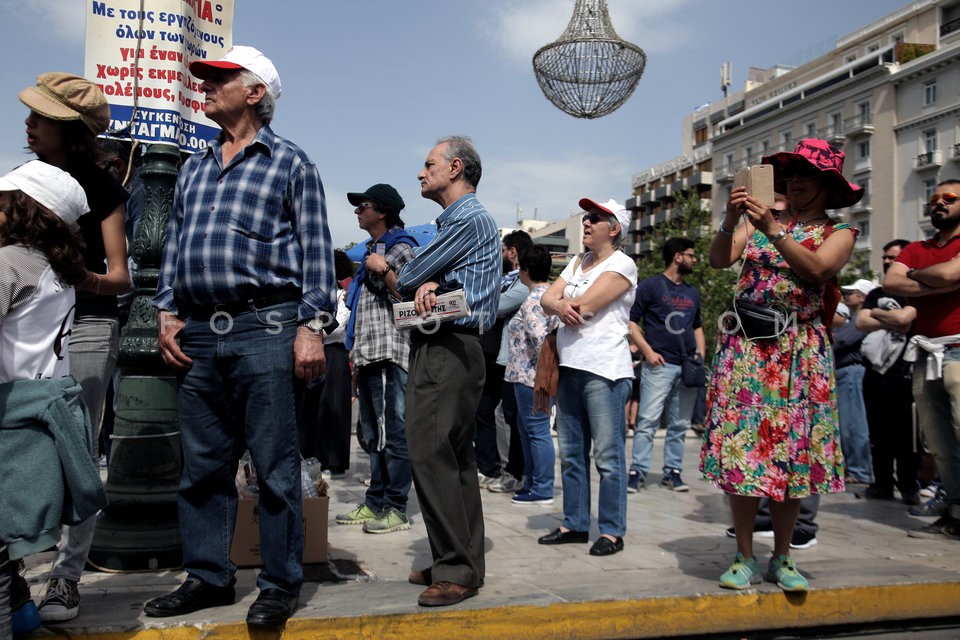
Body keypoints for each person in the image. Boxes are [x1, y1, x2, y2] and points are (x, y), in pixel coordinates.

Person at [146, 46, 336, 626]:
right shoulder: (194, 167)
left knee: (274, 468)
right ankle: (209, 577)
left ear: (255, 92)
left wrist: (309, 328)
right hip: (199, 331)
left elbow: (315, 256)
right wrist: (165, 313)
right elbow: (175, 247)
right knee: (202, 467)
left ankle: (278, 583)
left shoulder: (291, 164)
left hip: (267, 327)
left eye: (219, 79)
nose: (204, 87)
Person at [702, 138, 859, 592]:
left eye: (803, 176)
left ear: (828, 185)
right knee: (743, 449)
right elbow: (718, 260)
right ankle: (744, 555)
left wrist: (773, 228)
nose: (793, 182)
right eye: (789, 176)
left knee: (790, 454)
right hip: (747, 349)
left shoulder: (839, 231)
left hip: (797, 352)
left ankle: (784, 556)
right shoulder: (760, 224)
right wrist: (732, 219)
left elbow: (815, 270)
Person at [365, 135, 500, 607]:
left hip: (448, 346)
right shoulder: (457, 223)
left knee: (429, 452)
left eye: (429, 165)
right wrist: (429, 280)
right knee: (453, 459)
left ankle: (456, 568)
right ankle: (458, 560)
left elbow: (407, 275)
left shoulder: (468, 218)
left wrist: (385, 266)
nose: (421, 173)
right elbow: (424, 278)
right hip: (444, 343)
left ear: (455, 167)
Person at [19, 72, 131, 623]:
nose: (28, 123)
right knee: (18, 440)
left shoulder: (102, 186)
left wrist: (75, 276)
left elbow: (119, 276)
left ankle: (66, 576)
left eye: (40, 116)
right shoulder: (19, 177)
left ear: (68, 126)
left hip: (85, 323)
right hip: (19, 319)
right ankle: (14, 572)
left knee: (77, 444)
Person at [0, 161, 104, 636]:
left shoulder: (11, 263)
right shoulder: (58, 271)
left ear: (22, 208)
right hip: (39, 425)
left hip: (11, 421)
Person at [538, 197, 637, 557]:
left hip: (604, 370)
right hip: (570, 366)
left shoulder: (623, 264)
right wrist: (561, 304)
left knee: (608, 457)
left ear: (614, 229)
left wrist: (562, 303)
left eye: (594, 218)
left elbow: (588, 306)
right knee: (573, 453)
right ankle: (575, 523)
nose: (586, 223)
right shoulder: (578, 262)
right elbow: (546, 299)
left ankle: (611, 530)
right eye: (585, 217)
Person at [336, 183, 418, 534]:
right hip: (369, 352)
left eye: (363, 205)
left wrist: (383, 269)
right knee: (372, 432)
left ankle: (395, 505)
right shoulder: (370, 249)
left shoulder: (400, 248)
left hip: (390, 350)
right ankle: (375, 501)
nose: (357, 210)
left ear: (382, 211)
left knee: (394, 432)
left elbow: (411, 298)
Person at [884, 179, 960, 540]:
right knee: (939, 443)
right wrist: (937, 280)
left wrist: (926, 277)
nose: (939, 203)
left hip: (959, 350)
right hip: (926, 353)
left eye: (949, 198)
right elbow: (891, 283)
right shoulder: (915, 248)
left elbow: (949, 273)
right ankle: (955, 510)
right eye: (934, 198)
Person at [627, 237, 705, 493]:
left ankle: (673, 472)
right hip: (659, 365)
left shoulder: (692, 291)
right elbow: (631, 322)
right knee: (648, 420)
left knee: (679, 424)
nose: (695, 260)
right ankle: (637, 471)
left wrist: (700, 355)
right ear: (678, 257)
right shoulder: (650, 286)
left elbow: (697, 327)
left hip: (688, 367)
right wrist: (648, 352)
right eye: (691, 255)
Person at [855, 239, 921, 506]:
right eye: (885, 257)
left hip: (905, 374)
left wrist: (879, 317)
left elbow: (908, 321)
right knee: (878, 433)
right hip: (874, 374)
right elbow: (861, 321)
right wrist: (895, 318)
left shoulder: (916, 292)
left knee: (907, 435)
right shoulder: (876, 292)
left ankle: (908, 486)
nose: (886, 262)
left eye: (893, 257)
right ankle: (881, 483)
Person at [477, 230, 532, 493]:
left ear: (512, 252)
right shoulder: (504, 279)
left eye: (502, 250)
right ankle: (496, 466)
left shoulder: (523, 283)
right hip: (499, 353)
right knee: (493, 412)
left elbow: (495, 308)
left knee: (512, 417)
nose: (499, 255)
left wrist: (487, 304)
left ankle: (514, 472)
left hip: (510, 357)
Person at [505, 244, 560, 505]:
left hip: (531, 379)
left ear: (523, 270)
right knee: (528, 430)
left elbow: (542, 342)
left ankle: (542, 486)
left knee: (536, 431)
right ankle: (531, 481)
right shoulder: (551, 296)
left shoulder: (532, 302)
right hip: (528, 377)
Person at [297, 249, 353, 474]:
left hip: (334, 354)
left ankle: (332, 461)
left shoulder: (344, 295)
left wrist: (311, 329)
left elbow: (338, 326)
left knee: (332, 409)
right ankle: (308, 457)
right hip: (312, 351)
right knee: (308, 409)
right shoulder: (314, 297)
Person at [834, 278, 876, 485]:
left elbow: (841, 340)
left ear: (862, 297)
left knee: (853, 423)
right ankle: (854, 468)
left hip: (850, 373)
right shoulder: (854, 319)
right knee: (846, 424)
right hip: (843, 373)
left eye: (852, 292)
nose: (847, 295)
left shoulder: (861, 319)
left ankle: (859, 470)